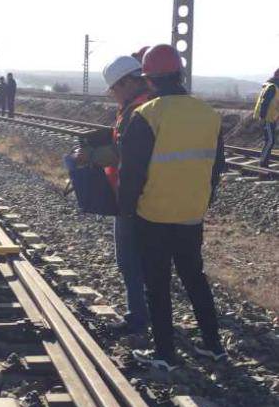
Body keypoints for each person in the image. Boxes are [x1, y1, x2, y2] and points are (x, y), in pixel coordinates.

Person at [119, 44, 226, 371]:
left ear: (149, 79)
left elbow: (132, 173)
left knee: (157, 283)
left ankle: (164, 354)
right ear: (179, 73)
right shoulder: (209, 115)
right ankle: (213, 346)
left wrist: (126, 213)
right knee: (195, 277)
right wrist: (203, 200)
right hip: (191, 213)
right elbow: (217, 166)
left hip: (153, 214)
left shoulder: (147, 115)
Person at [80, 55, 152, 333]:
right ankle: (153, 312)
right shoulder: (152, 104)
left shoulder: (138, 110)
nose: (113, 95)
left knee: (130, 259)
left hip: (131, 195)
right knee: (149, 258)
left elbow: (125, 153)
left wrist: (92, 155)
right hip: (152, 193)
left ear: (126, 82)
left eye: (114, 89)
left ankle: (138, 316)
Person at [253, 69, 279, 168]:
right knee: (270, 141)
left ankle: (264, 161)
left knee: (270, 140)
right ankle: (263, 163)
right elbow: (265, 103)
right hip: (267, 118)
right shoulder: (272, 87)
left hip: (272, 118)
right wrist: (263, 117)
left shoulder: (275, 87)